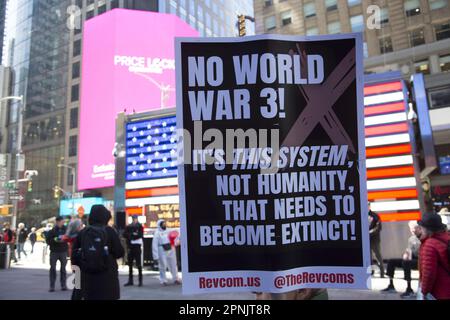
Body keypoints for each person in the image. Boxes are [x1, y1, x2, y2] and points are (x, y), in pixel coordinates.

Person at [71, 205, 124, 300]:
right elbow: (119, 252)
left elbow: (74, 258)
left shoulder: (83, 233)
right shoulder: (110, 231)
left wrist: (77, 282)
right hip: (107, 281)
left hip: (87, 281)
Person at [382, 221, 421, 297]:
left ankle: (409, 289)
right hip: (412, 259)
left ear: (419, 228)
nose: (412, 230)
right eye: (410, 228)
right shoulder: (411, 239)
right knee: (391, 261)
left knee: (406, 263)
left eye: (413, 228)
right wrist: (406, 254)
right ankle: (391, 285)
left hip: (421, 260)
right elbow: (409, 250)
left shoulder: (422, 237)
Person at [417, 212, 450, 300]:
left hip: (439, 292)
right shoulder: (447, 238)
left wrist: (424, 291)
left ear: (426, 229)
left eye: (421, 227)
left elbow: (429, 273)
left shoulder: (429, 245)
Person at [152, 219, 180, 285]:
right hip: (162, 250)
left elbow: (176, 235)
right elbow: (154, 245)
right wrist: (155, 256)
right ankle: (163, 280)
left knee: (173, 264)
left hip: (171, 249)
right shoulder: (157, 233)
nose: (164, 225)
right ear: (159, 225)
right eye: (163, 224)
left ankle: (175, 279)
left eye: (165, 223)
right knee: (163, 265)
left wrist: (176, 243)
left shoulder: (169, 230)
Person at [63, 217, 84, 300]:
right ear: (78, 227)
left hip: (74, 260)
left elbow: (65, 238)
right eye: (81, 225)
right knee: (79, 284)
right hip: (79, 260)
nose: (82, 226)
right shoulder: (79, 236)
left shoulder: (70, 236)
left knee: (78, 284)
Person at [46, 216, 68, 292]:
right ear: (58, 222)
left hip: (63, 251)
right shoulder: (52, 230)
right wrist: (55, 240)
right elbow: (48, 241)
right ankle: (52, 286)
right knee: (52, 269)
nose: (63, 222)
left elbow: (69, 238)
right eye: (62, 221)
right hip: (54, 252)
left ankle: (63, 285)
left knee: (63, 269)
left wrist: (65, 239)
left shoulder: (66, 229)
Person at [123, 215, 144, 287]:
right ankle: (130, 280)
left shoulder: (140, 226)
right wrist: (132, 235)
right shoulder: (129, 226)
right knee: (130, 264)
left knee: (138, 264)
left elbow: (140, 235)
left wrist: (132, 236)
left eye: (135, 218)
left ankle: (140, 280)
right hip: (130, 247)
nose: (135, 220)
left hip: (137, 246)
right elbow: (124, 234)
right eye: (133, 218)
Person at [368, 202, 385, 277]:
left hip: (374, 239)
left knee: (377, 255)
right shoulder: (361, 215)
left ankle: (382, 272)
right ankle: (370, 272)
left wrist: (370, 232)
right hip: (366, 240)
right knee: (368, 257)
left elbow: (379, 227)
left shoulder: (375, 216)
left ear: (369, 206)